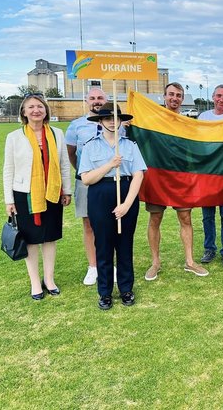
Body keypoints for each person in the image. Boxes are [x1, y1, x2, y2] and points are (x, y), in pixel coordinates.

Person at [3, 93, 72, 300]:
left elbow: (64, 165)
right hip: (25, 195)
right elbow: (8, 169)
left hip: (52, 192)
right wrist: (9, 200)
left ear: (46, 110)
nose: (36, 110)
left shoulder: (57, 134)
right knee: (31, 240)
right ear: (24, 112)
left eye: (40, 107)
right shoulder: (14, 137)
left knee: (49, 238)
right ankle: (35, 282)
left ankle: (49, 279)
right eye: (31, 107)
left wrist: (66, 190)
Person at [79, 104, 146, 310]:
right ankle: (105, 292)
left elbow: (138, 174)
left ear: (120, 121)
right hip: (100, 195)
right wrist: (109, 164)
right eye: (107, 118)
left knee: (125, 244)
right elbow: (87, 178)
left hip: (125, 192)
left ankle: (126, 289)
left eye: (115, 117)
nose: (111, 121)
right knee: (104, 245)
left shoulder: (130, 145)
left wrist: (127, 204)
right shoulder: (90, 146)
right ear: (100, 121)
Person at [145, 82, 209, 280]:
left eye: (178, 95)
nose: (174, 98)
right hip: (157, 177)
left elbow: (199, 147)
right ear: (164, 96)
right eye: (171, 94)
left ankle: (190, 261)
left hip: (181, 177)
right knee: (155, 218)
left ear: (182, 99)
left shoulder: (188, 123)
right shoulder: (152, 121)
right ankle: (155, 262)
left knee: (186, 219)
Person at [66, 87, 124, 285]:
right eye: (93, 98)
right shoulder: (76, 126)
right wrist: (85, 172)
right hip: (87, 182)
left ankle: (111, 264)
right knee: (89, 224)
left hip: (112, 181)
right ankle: (93, 266)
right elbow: (71, 154)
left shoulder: (119, 124)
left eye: (100, 98)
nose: (96, 101)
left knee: (113, 224)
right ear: (86, 100)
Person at [198, 84, 223, 267]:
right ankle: (209, 248)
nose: (222, 100)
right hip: (207, 174)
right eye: (219, 96)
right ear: (213, 97)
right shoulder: (203, 117)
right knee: (207, 215)